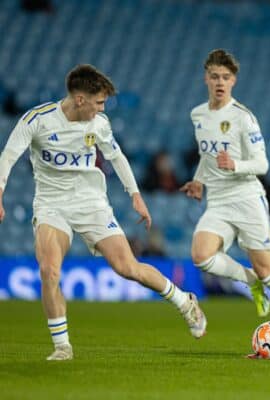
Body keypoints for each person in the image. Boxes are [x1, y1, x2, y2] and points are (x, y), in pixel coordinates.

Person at [0, 64, 206, 361]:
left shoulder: (99, 124)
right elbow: (8, 155)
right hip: (51, 205)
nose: (101, 109)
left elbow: (117, 157)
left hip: (91, 203)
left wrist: (135, 195)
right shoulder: (38, 120)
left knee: (127, 268)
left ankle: (184, 301)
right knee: (49, 270)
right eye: (98, 102)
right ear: (80, 99)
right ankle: (62, 347)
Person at [179, 49, 270, 351]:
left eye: (226, 77)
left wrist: (236, 166)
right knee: (202, 256)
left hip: (246, 199)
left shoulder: (243, 118)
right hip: (217, 201)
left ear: (234, 81)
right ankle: (249, 280)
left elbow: (263, 164)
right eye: (215, 76)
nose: (220, 82)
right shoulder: (198, 114)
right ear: (206, 78)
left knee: (268, 271)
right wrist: (199, 181)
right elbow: (208, 156)